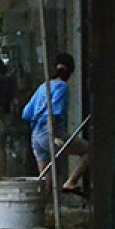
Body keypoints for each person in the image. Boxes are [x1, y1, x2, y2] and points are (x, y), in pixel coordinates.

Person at [22, 53, 89, 194]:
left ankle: (41, 211)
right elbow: (52, 113)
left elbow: (26, 113)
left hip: (36, 136)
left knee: (46, 184)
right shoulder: (62, 87)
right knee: (89, 150)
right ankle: (71, 182)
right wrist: (54, 136)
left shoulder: (43, 87)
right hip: (51, 132)